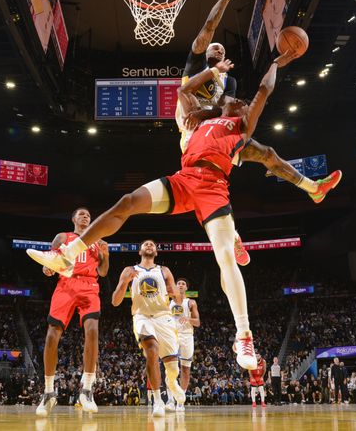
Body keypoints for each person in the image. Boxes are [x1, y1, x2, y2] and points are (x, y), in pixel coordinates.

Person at [29, 51, 325, 371]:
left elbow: (266, 104)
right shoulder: (199, 118)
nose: (238, 101)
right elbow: (183, 92)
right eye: (233, 99)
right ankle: (69, 252)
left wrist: (276, 63)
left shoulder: (240, 128)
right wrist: (212, 73)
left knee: (224, 258)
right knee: (128, 202)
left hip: (213, 191)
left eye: (240, 101)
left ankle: (243, 335)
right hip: (183, 182)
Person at [176, 0, 342, 264]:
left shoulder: (229, 82)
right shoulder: (196, 64)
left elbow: (224, 108)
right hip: (194, 135)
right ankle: (233, 237)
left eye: (223, 50)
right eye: (215, 48)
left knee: (267, 153)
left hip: (217, 130)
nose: (218, 50)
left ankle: (314, 189)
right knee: (208, 188)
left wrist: (210, 111)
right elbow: (208, 27)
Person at [36, 207, 109, 417]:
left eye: (88, 215)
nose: (85, 216)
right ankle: (49, 392)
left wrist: (105, 255)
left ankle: (87, 389)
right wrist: (47, 268)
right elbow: (48, 263)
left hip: (89, 285)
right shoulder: (62, 237)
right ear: (73, 219)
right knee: (51, 336)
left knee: (93, 330)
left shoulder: (98, 240)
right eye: (81, 214)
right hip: (65, 284)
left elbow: (103, 272)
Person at [111, 239, 185, 417]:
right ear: (140, 251)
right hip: (142, 316)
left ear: (157, 252)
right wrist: (124, 283)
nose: (149, 246)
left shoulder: (164, 270)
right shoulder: (129, 270)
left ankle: (172, 381)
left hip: (164, 317)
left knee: (173, 368)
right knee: (151, 349)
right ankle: (158, 400)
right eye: (146, 244)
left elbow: (179, 301)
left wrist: (174, 291)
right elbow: (115, 301)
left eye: (152, 245)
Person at [166, 277, 199, 412]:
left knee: (185, 369)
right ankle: (169, 399)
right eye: (178, 283)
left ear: (186, 288)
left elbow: (197, 322)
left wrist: (189, 319)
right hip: (172, 335)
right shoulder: (168, 303)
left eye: (183, 284)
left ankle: (180, 401)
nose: (180, 285)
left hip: (186, 336)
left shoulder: (190, 302)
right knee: (170, 368)